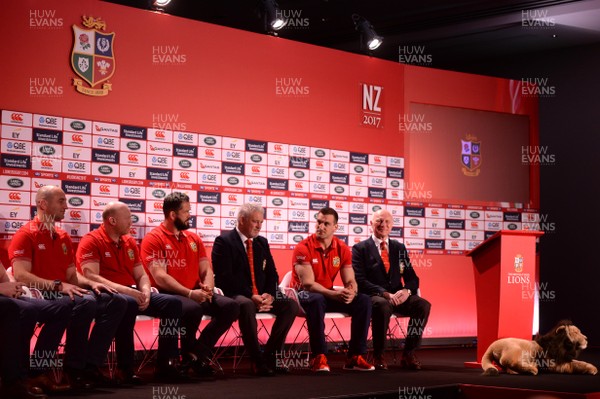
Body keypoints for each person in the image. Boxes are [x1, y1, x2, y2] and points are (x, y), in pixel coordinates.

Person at [9, 185, 127, 389]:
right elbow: (21, 276)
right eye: (61, 201)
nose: (66, 205)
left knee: (114, 301)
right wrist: (57, 286)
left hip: (63, 291)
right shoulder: (26, 234)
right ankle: (42, 370)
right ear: (43, 204)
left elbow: (72, 275)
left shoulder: (62, 236)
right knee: (83, 304)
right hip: (39, 294)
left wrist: (92, 283)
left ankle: (86, 368)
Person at [76, 201, 185, 383]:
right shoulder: (92, 240)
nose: (131, 222)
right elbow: (92, 277)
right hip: (107, 295)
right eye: (127, 218)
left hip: (131, 293)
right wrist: (130, 292)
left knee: (172, 303)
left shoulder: (129, 241)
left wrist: (145, 292)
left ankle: (166, 363)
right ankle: (124, 368)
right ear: (112, 220)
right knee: (128, 302)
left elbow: (141, 273)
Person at [141, 192, 239, 376]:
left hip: (195, 292)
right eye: (186, 212)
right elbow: (160, 276)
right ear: (172, 215)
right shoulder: (154, 239)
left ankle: (195, 354)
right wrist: (189, 293)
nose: (189, 215)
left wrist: (208, 287)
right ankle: (171, 363)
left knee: (231, 307)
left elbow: (206, 270)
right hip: (168, 294)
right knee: (191, 307)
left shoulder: (194, 239)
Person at [212, 203, 299, 376]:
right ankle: (257, 360)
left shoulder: (262, 242)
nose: (259, 226)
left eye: (261, 222)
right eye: (255, 221)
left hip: (261, 295)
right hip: (236, 295)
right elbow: (224, 278)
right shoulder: (224, 241)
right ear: (242, 220)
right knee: (246, 305)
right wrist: (252, 296)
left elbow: (272, 274)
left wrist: (270, 295)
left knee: (290, 305)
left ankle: (272, 357)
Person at [292, 207, 374, 372]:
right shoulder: (303, 247)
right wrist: (334, 294)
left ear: (335, 227)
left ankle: (355, 356)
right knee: (317, 299)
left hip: (327, 294)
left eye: (326, 224)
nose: (320, 226)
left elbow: (350, 279)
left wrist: (351, 291)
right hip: (302, 296)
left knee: (364, 301)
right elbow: (308, 284)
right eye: (319, 222)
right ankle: (318, 357)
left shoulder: (342, 248)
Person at [352, 209, 431, 370]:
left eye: (387, 222)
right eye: (380, 221)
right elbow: (360, 280)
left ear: (392, 226)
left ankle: (408, 353)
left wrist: (406, 291)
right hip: (374, 296)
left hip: (399, 296)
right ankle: (379, 355)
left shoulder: (398, 248)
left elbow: (411, 277)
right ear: (371, 223)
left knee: (423, 305)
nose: (383, 225)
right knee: (382, 305)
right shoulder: (360, 248)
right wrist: (384, 293)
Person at [0, 263, 70, 396]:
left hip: (9, 295)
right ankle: (14, 379)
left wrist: (14, 285)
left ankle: (37, 371)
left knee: (60, 310)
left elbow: (5, 276)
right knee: (25, 310)